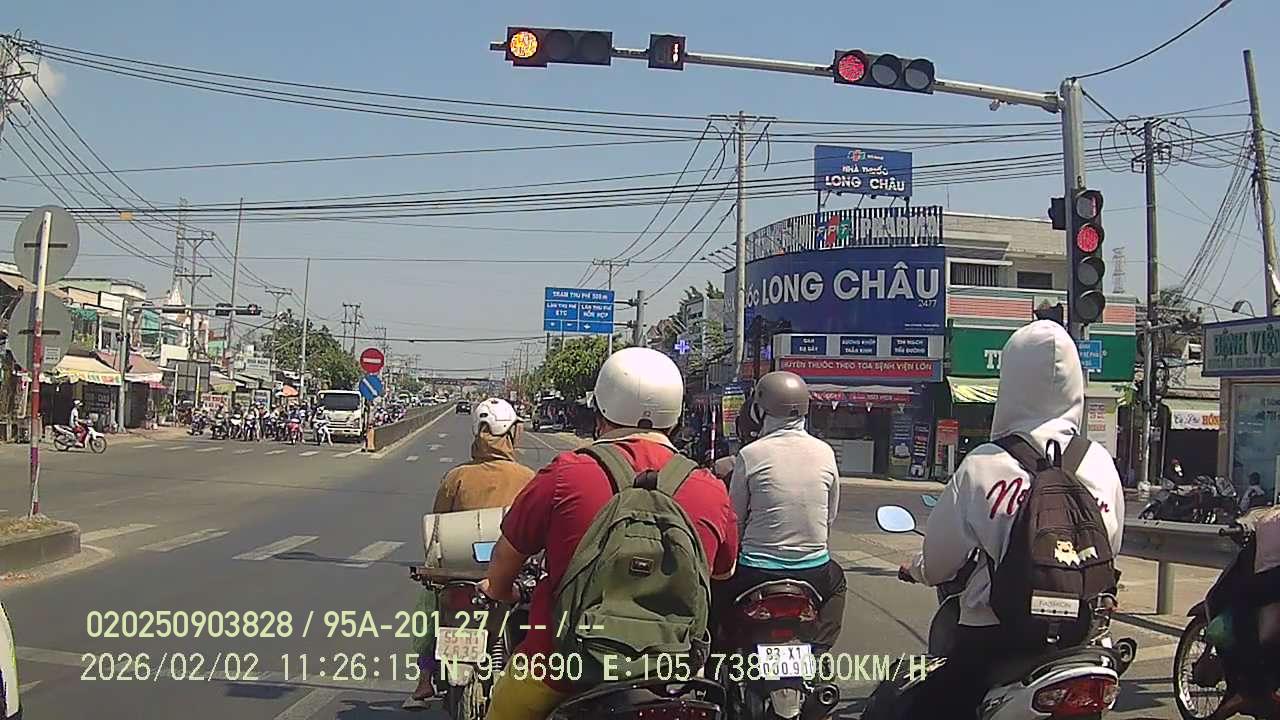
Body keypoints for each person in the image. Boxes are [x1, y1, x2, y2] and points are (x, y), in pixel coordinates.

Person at [477, 347, 739, 720]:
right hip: (671, 674)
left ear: (599, 412)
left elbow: (505, 560)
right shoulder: (710, 488)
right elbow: (723, 572)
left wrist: (501, 590)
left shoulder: (566, 474)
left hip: (559, 667)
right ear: (677, 418)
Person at [894, 320, 1125, 717]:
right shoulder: (1100, 462)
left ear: (1010, 381)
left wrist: (919, 570)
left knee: (919, 706)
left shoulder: (983, 463)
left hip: (993, 634)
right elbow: (1111, 545)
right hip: (1081, 634)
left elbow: (940, 562)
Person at [403, 398, 536, 709]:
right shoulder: (529, 479)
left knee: (429, 606)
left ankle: (424, 678)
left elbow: (437, 529)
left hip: (458, 574)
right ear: (511, 434)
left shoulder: (457, 477)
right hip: (511, 576)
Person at [716, 371, 845, 651]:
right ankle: (819, 650)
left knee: (718, 601)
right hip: (814, 570)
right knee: (837, 583)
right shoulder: (825, 452)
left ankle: (719, 660)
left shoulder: (750, 454)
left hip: (755, 571)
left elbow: (734, 520)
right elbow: (830, 516)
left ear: (759, 410)